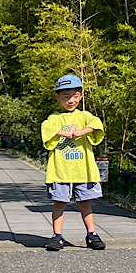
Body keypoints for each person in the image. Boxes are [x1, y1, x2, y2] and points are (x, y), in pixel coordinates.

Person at [41, 74, 106, 251]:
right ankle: (57, 235)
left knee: (85, 202)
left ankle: (91, 234)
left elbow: (96, 125)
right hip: (60, 171)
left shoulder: (84, 116)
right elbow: (47, 129)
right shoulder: (55, 118)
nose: (71, 100)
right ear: (57, 97)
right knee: (59, 203)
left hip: (83, 170)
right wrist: (67, 133)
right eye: (66, 97)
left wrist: (81, 132)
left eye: (75, 96)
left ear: (81, 96)